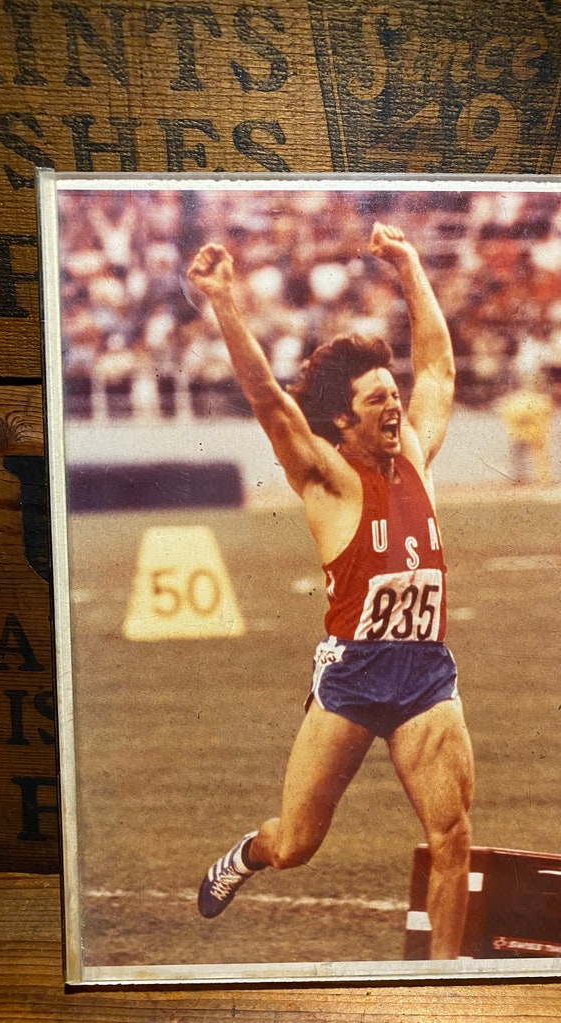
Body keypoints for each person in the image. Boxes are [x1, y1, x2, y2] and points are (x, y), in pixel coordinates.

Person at [187, 222, 475, 961]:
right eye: (379, 401)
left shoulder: (411, 452)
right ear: (343, 421)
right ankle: (246, 854)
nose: (396, 408)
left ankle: (442, 996)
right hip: (351, 677)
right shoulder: (327, 479)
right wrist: (223, 302)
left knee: (452, 837)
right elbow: (271, 405)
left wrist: (410, 266)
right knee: (298, 843)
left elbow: (438, 370)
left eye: (392, 395)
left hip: (424, 674)